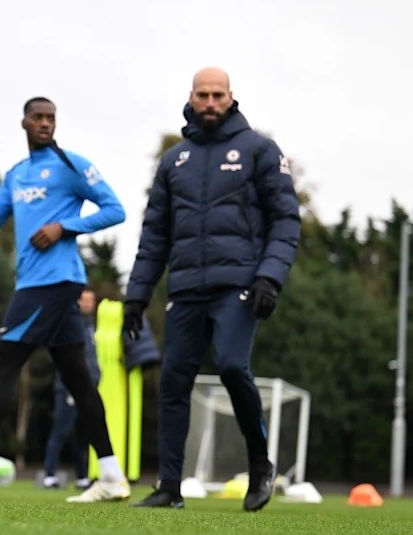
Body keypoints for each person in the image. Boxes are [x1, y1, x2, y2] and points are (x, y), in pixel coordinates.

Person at [124, 68, 300, 511]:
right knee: (172, 382)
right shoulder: (173, 161)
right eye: (202, 95)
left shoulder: (259, 150)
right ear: (190, 97)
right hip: (185, 289)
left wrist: (269, 277)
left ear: (231, 98)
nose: (209, 102)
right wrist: (137, 295)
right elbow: (154, 237)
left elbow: (285, 219)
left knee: (231, 365)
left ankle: (260, 464)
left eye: (217, 95)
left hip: (239, 284)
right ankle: (169, 487)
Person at [0, 97, 132, 503]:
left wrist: (64, 227)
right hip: (34, 285)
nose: (45, 124)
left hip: (55, 284)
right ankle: (113, 476)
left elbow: (115, 210)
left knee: (3, 368)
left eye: (51, 118)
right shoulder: (16, 175)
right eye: (38, 118)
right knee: (81, 383)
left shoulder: (71, 165)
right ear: (24, 123)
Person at [41, 286, 100, 490]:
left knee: (84, 434)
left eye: (90, 301)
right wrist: (68, 384)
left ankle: (82, 477)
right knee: (61, 430)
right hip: (68, 388)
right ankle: (49, 475)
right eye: (84, 300)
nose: (87, 304)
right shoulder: (68, 324)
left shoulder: (92, 326)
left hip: (88, 387)